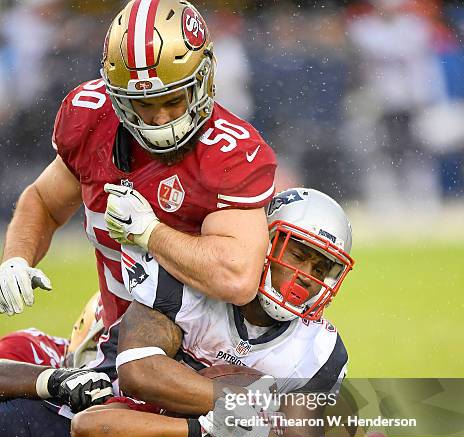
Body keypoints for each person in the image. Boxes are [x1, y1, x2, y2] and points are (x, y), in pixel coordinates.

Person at [115, 187, 464, 437]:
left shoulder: (318, 348)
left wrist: (260, 435)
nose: (305, 277)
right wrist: (241, 402)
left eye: (320, 268)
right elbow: (139, 373)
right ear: (262, 242)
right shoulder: (187, 280)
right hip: (152, 418)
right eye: (296, 255)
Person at [0, 0, 276, 332]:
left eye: (173, 100)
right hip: (120, 336)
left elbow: (237, 277)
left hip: (205, 356)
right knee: (13, 354)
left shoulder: (230, 152)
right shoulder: (91, 118)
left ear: (202, 80)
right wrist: (16, 259)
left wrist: (150, 233)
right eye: (143, 104)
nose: (160, 119)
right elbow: (44, 201)